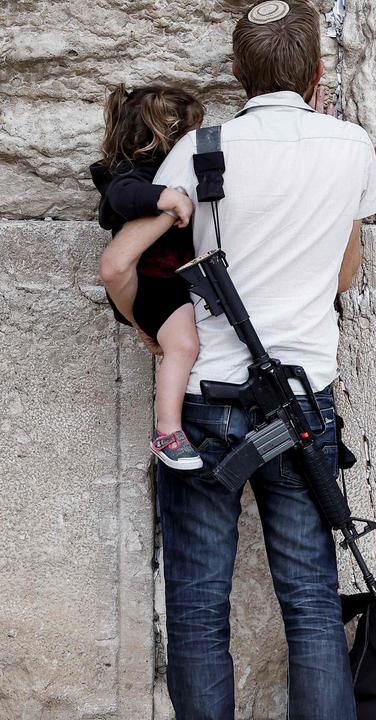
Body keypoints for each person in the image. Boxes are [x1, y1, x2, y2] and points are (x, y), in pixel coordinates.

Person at [98, 1, 376, 717]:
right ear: (316, 70)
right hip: (301, 403)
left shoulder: (202, 150)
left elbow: (121, 266)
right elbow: (343, 276)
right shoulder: (351, 146)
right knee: (312, 606)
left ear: (235, 72)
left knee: (196, 613)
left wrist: (153, 331)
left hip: (203, 403)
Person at [92, 84, 204, 470]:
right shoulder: (129, 176)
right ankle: (168, 430)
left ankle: (170, 428)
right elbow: (120, 198)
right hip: (156, 285)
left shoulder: (150, 171)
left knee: (184, 344)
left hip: (170, 283)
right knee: (184, 346)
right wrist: (165, 199)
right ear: (166, 138)